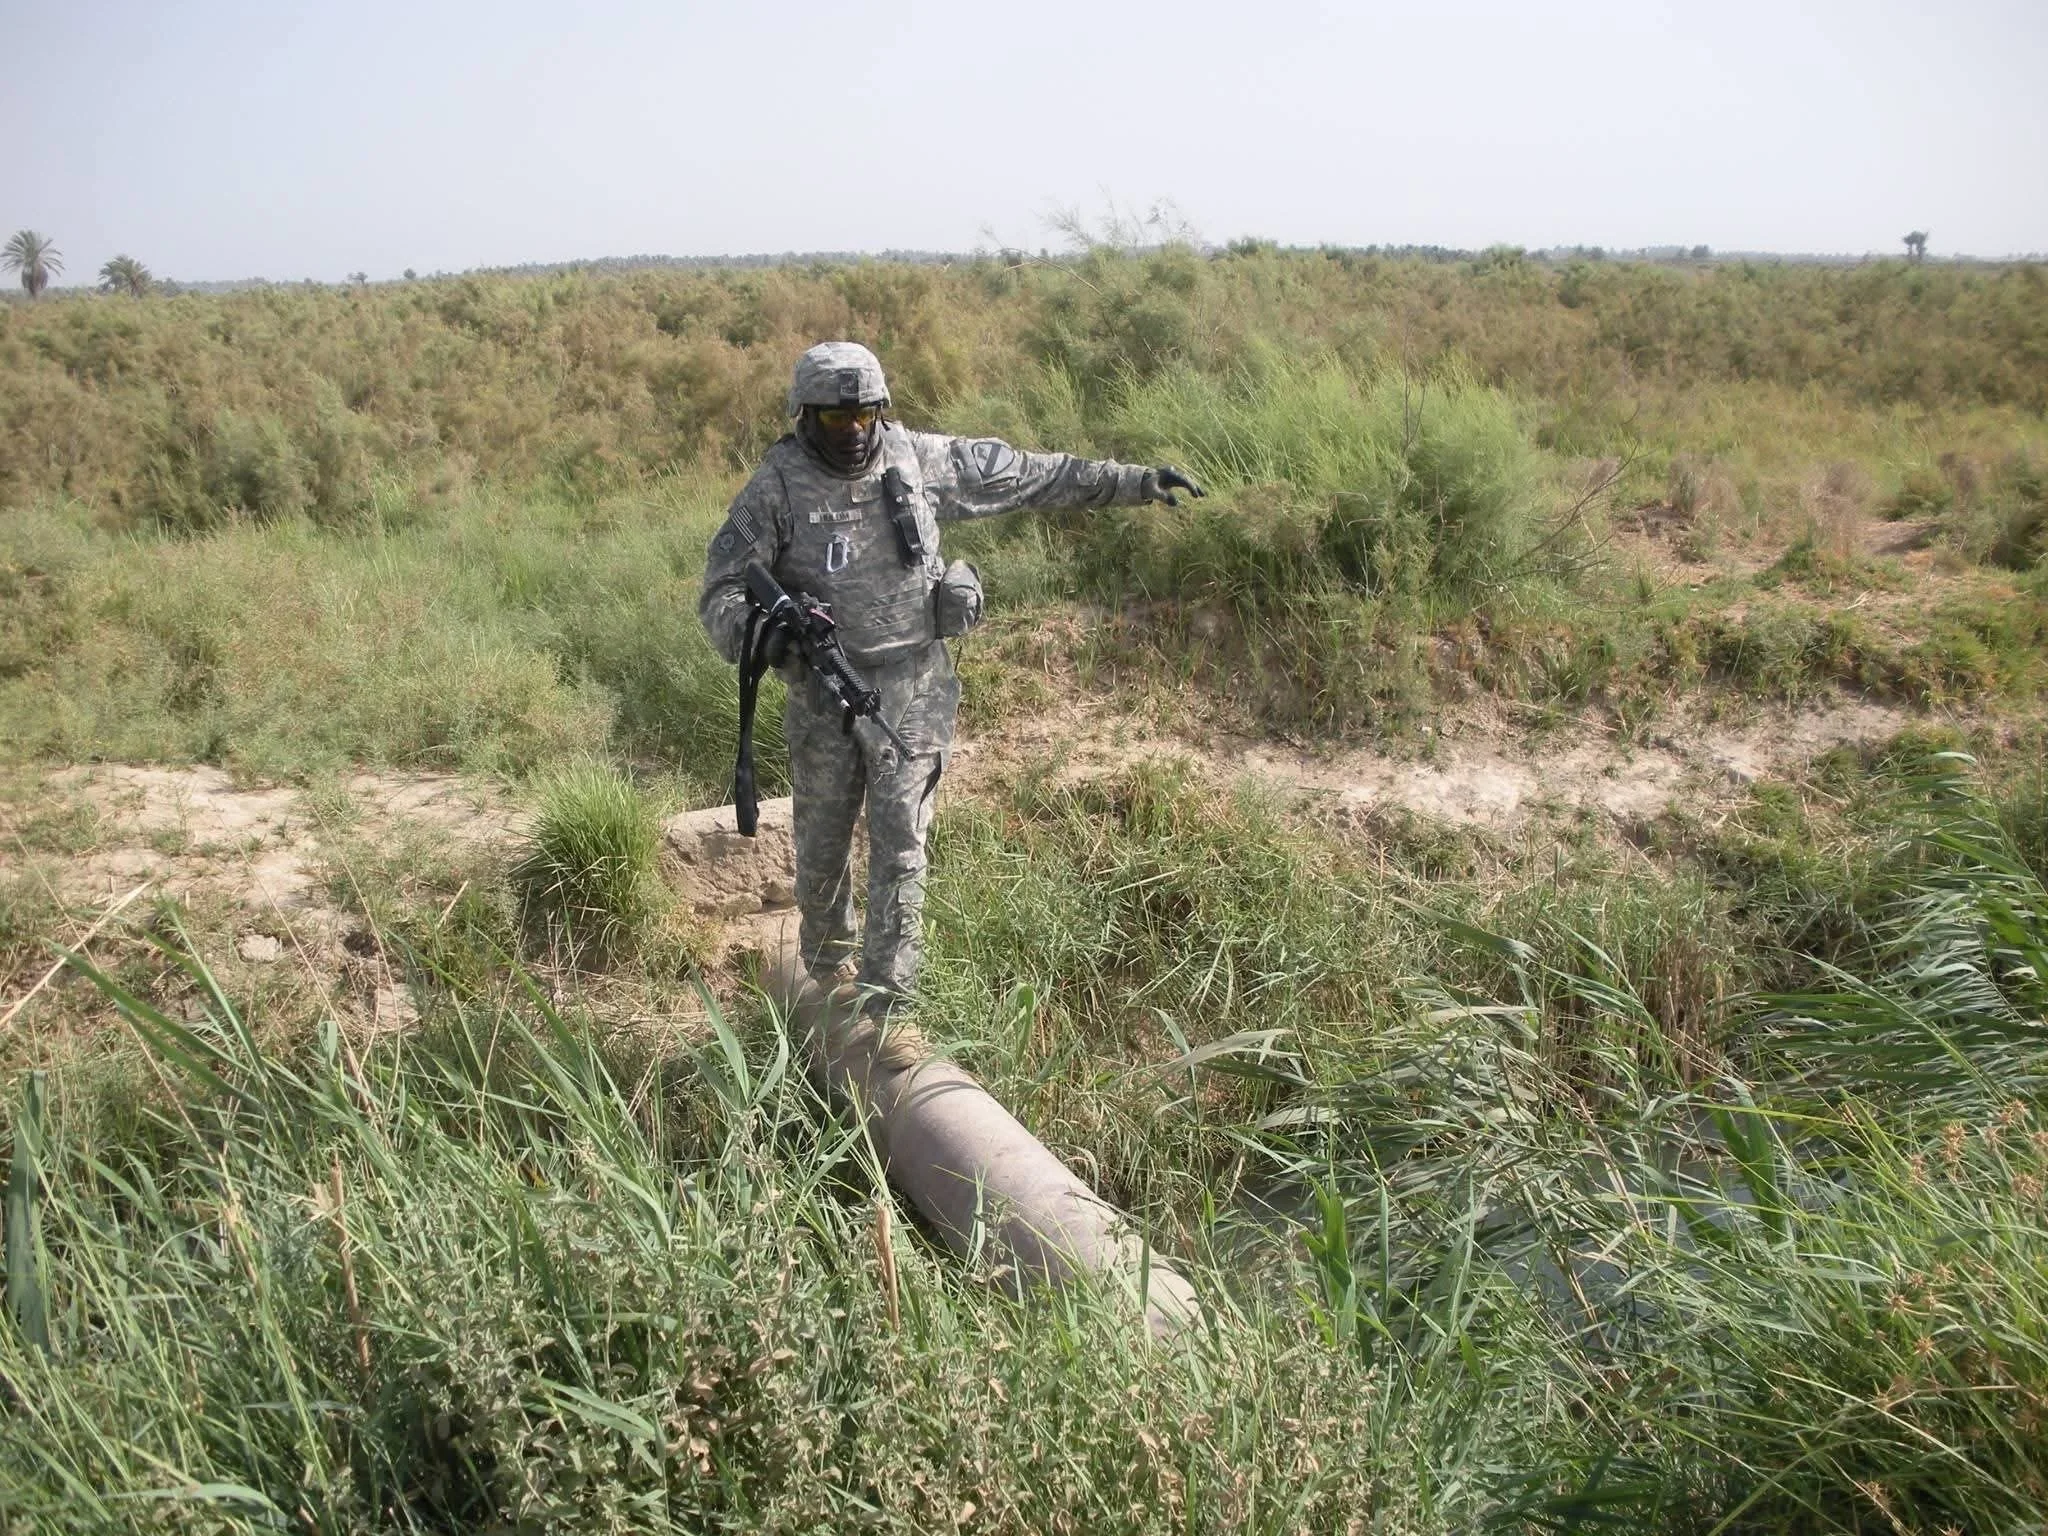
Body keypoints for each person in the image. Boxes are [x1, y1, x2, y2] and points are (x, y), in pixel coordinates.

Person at [699, 341, 1203, 1022]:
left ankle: (887, 1009)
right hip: (825, 699)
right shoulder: (777, 487)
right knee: (821, 853)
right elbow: (722, 591)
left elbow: (1031, 475)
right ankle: (823, 972)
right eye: (834, 420)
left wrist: (1136, 481)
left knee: (902, 845)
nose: (853, 432)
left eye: (865, 415)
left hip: (915, 688)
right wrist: (768, 637)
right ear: (804, 416)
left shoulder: (919, 459)